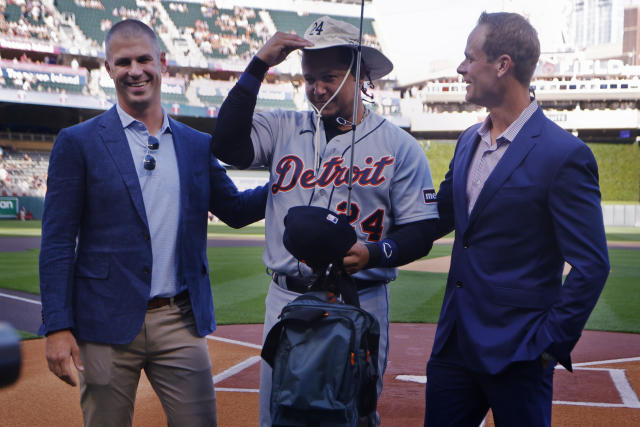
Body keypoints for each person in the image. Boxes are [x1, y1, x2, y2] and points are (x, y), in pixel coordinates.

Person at [211, 16, 439, 426]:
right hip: (287, 298)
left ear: (360, 74)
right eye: (309, 78)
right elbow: (227, 144)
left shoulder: (399, 146)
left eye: (329, 77)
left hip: (359, 298)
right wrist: (259, 64)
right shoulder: (283, 127)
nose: (317, 89)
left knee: (352, 413)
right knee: (277, 414)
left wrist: (373, 253)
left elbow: (421, 231)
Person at [39, 19, 267, 427]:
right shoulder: (77, 143)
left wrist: (291, 179)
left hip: (179, 319)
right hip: (103, 323)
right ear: (108, 69)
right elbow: (57, 242)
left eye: (144, 59)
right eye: (123, 62)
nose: (135, 70)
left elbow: (234, 209)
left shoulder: (197, 144)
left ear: (163, 62)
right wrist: (57, 327)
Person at [424, 12, 610, 426]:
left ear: (502, 64)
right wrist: (375, 238)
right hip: (453, 349)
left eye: (469, 57)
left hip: (520, 354)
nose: (461, 68)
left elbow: (592, 265)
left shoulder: (565, 156)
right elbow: (441, 217)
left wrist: (545, 347)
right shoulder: (467, 140)